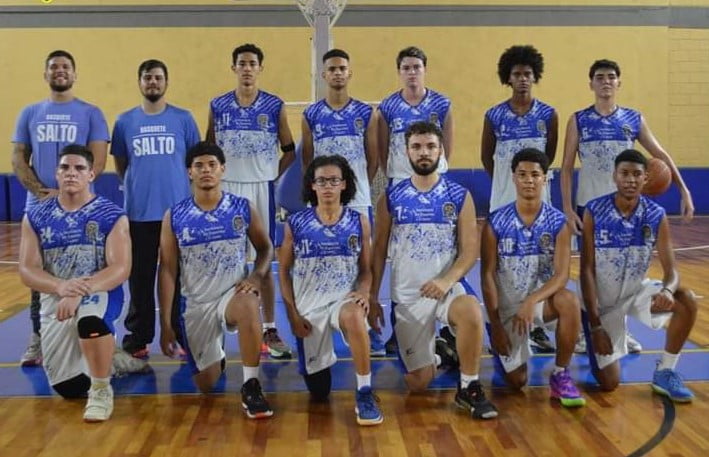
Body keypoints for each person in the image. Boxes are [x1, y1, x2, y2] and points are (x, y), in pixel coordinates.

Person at [560, 58, 695, 354]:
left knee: (626, 270)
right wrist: (569, 210)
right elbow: (567, 167)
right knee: (590, 271)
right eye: (599, 77)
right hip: (589, 209)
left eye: (611, 77)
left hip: (628, 208)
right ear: (591, 83)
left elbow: (660, 154)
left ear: (619, 83)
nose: (606, 81)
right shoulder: (578, 119)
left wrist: (684, 189)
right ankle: (590, 328)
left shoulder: (633, 118)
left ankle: (620, 328)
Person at [369, 121, 498, 420]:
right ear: (407, 152)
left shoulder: (458, 195)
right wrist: (373, 297)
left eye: (430, 146)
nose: (423, 152)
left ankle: (469, 387)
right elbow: (378, 253)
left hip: (446, 288)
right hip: (408, 297)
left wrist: (445, 280)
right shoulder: (390, 198)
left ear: (441, 151)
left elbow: (469, 251)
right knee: (419, 383)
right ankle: (443, 352)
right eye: (416, 147)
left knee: (470, 311)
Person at [158, 142, 274, 419]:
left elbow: (266, 248)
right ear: (189, 172)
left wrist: (256, 277)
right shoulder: (174, 216)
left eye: (212, 164)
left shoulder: (242, 207)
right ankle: (216, 354)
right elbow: (168, 271)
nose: (206, 170)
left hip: (232, 294)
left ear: (222, 169)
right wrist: (164, 323)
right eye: (199, 166)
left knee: (248, 305)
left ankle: (251, 385)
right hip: (197, 304)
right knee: (206, 385)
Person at [18, 145, 130, 422]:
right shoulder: (36, 216)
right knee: (68, 387)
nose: (71, 173)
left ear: (91, 174)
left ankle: (102, 390)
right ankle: (113, 361)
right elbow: (27, 270)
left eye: (79, 168)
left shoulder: (110, 214)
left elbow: (120, 268)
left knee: (90, 320)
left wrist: (80, 290)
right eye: (65, 167)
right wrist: (61, 288)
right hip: (58, 296)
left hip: (98, 290)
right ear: (56, 174)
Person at [12, 50, 110, 366]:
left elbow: (98, 159)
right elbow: (18, 158)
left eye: (66, 66)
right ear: (45, 74)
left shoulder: (91, 112)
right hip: (40, 204)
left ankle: (94, 331)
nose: (60, 71)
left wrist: (69, 189)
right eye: (54, 67)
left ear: (75, 73)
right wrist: (43, 191)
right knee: (40, 272)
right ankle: (38, 338)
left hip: (82, 207)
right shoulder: (30, 112)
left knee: (88, 266)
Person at [579, 149, 697, 402]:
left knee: (685, 299)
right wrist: (596, 325)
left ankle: (665, 370)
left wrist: (666, 290)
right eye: (625, 173)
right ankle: (592, 335)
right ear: (614, 176)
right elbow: (586, 270)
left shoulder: (656, 215)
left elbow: (672, 271)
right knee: (609, 384)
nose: (631, 179)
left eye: (637, 174)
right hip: (602, 303)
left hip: (635, 293)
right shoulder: (594, 211)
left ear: (646, 179)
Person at [279, 155, 383, 426]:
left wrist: (364, 292)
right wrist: (291, 313)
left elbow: (366, 269)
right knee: (319, 391)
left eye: (333, 180)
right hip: (309, 308)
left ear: (343, 185)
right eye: (321, 180)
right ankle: (319, 367)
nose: (327, 186)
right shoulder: (296, 223)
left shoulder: (359, 221)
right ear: (312, 186)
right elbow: (283, 270)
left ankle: (365, 391)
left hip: (342, 301)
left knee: (354, 315)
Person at [206, 43, 294, 359]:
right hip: (226, 189)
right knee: (225, 259)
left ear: (260, 68)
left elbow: (289, 150)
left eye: (252, 63)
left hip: (261, 189)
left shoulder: (274, 105)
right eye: (241, 63)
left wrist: (271, 176)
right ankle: (215, 326)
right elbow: (210, 150)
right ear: (233, 68)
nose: (246, 68)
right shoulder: (217, 105)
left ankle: (269, 327)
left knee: (263, 259)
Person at [480, 148, 584, 407]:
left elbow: (561, 276)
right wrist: (495, 327)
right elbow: (487, 276)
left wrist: (531, 302)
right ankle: (504, 347)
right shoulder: (496, 222)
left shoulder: (558, 222)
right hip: (507, 310)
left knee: (569, 301)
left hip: (538, 304)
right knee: (517, 383)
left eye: (535, 175)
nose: (529, 180)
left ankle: (560, 374)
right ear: (513, 178)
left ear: (545, 179)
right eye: (522, 174)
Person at [111, 59, 200, 358]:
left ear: (166, 82)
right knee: (141, 277)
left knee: (179, 275)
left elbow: (193, 162)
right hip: (139, 212)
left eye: (158, 78)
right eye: (147, 78)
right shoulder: (124, 122)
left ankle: (179, 330)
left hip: (177, 214)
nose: (153, 82)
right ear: (139, 82)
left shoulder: (184, 119)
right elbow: (121, 163)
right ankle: (139, 336)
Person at [301, 48, 383, 356]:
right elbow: (309, 160)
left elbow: (372, 158)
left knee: (364, 262)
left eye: (342, 68)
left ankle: (370, 324)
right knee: (325, 260)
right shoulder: (311, 114)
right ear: (323, 75)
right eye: (332, 69)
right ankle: (323, 322)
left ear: (350, 73)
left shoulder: (366, 113)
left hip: (357, 198)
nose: (337, 73)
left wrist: (352, 188)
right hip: (322, 201)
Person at [480, 44, 558, 353]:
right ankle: (500, 318)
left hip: (539, 200)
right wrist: (505, 185)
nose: (523, 79)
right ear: (507, 78)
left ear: (534, 76)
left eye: (527, 74)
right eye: (517, 74)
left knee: (542, 260)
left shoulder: (548, 114)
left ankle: (538, 325)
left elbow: (548, 156)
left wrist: (531, 184)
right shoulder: (494, 115)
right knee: (502, 264)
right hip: (503, 199)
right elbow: (487, 157)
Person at [377, 46, 454, 354]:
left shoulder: (441, 103)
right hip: (400, 182)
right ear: (400, 71)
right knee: (402, 257)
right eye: (406, 67)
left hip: (436, 183)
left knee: (443, 253)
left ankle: (446, 327)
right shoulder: (387, 106)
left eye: (417, 67)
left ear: (425, 69)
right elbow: (383, 149)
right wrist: (397, 178)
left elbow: (447, 145)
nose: (412, 72)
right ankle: (401, 328)